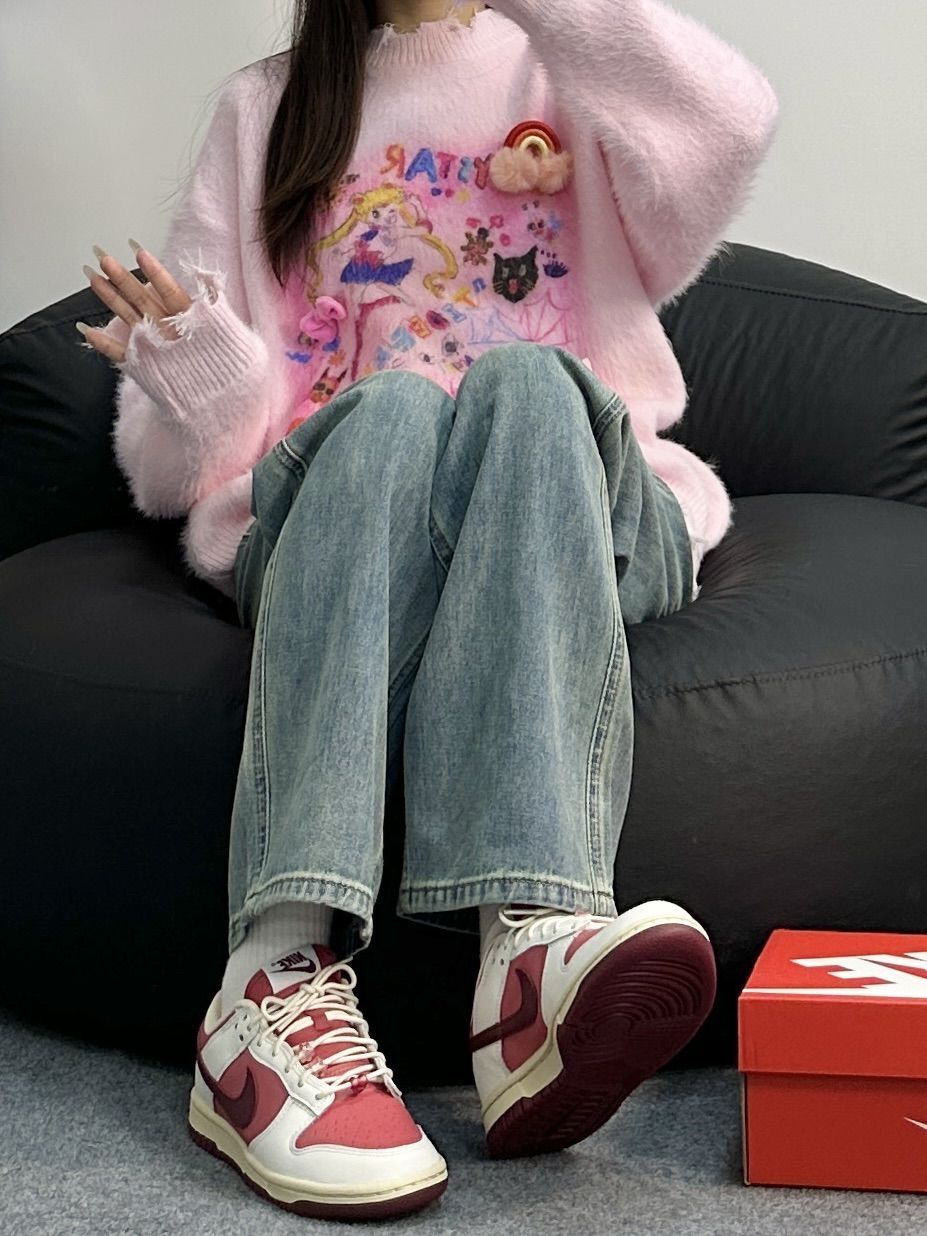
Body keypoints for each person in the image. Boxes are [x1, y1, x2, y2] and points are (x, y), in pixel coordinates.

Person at [76, 0, 779, 1220]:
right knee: (393, 408)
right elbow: (165, 473)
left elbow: (731, 122)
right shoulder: (264, 110)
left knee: (529, 385)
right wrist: (207, 372)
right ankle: (269, 988)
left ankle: (540, 950)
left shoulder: (568, 65)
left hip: (582, 509)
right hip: (352, 530)